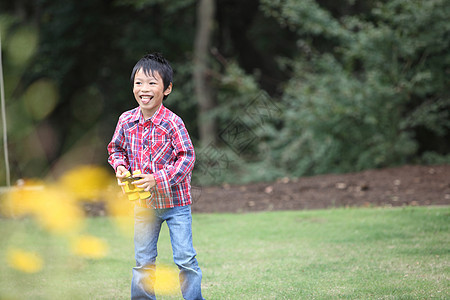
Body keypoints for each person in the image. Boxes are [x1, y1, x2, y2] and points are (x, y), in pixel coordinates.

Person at [107, 53, 205, 300]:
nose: (144, 89)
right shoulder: (126, 120)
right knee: (143, 261)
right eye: (139, 83)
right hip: (143, 204)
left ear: (167, 88)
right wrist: (120, 167)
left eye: (152, 83)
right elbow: (115, 149)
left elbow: (187, 158)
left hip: (176, 204)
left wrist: (157, 179)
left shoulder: (173, 123)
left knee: (185, 259)